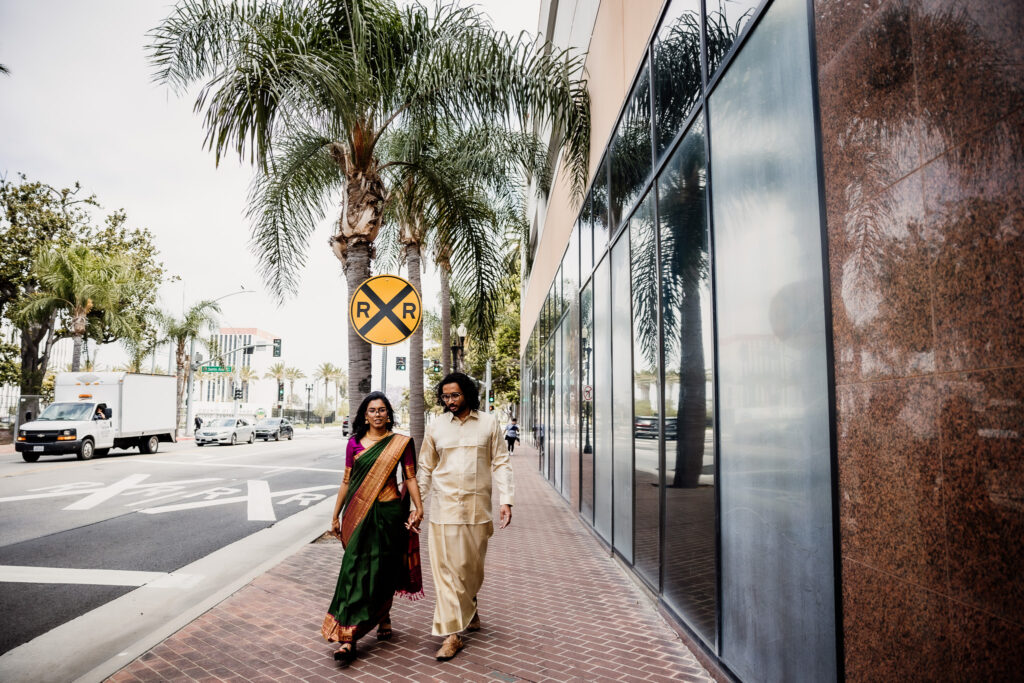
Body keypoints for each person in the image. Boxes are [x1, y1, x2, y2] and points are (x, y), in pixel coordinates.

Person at [321, 391, 425, 665]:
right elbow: (346, 481)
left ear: (388, 413)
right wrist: (335, 516)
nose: (377, 414)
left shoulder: (400, 443)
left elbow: (410, 477)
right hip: (358, 514)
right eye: (372, 410)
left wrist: (419, 507)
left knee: (383, 569)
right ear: (364, 416)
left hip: (390, 513)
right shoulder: (354, 443)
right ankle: (347, 637)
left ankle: (383, 614)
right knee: (353, 570)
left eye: (382, 410)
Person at [417, 372, 514, 661]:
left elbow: (500, 462)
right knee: (447, 572)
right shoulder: (436, 427)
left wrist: (506, 500)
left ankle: (470, 604)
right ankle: (452, 635)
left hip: (477, 510)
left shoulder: (488, 424)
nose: (450, 401)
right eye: (445, 396)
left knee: (471, 570)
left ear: (467, 394)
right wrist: (416, 505)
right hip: (443, 510)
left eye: (455, 395)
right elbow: (425, 468)